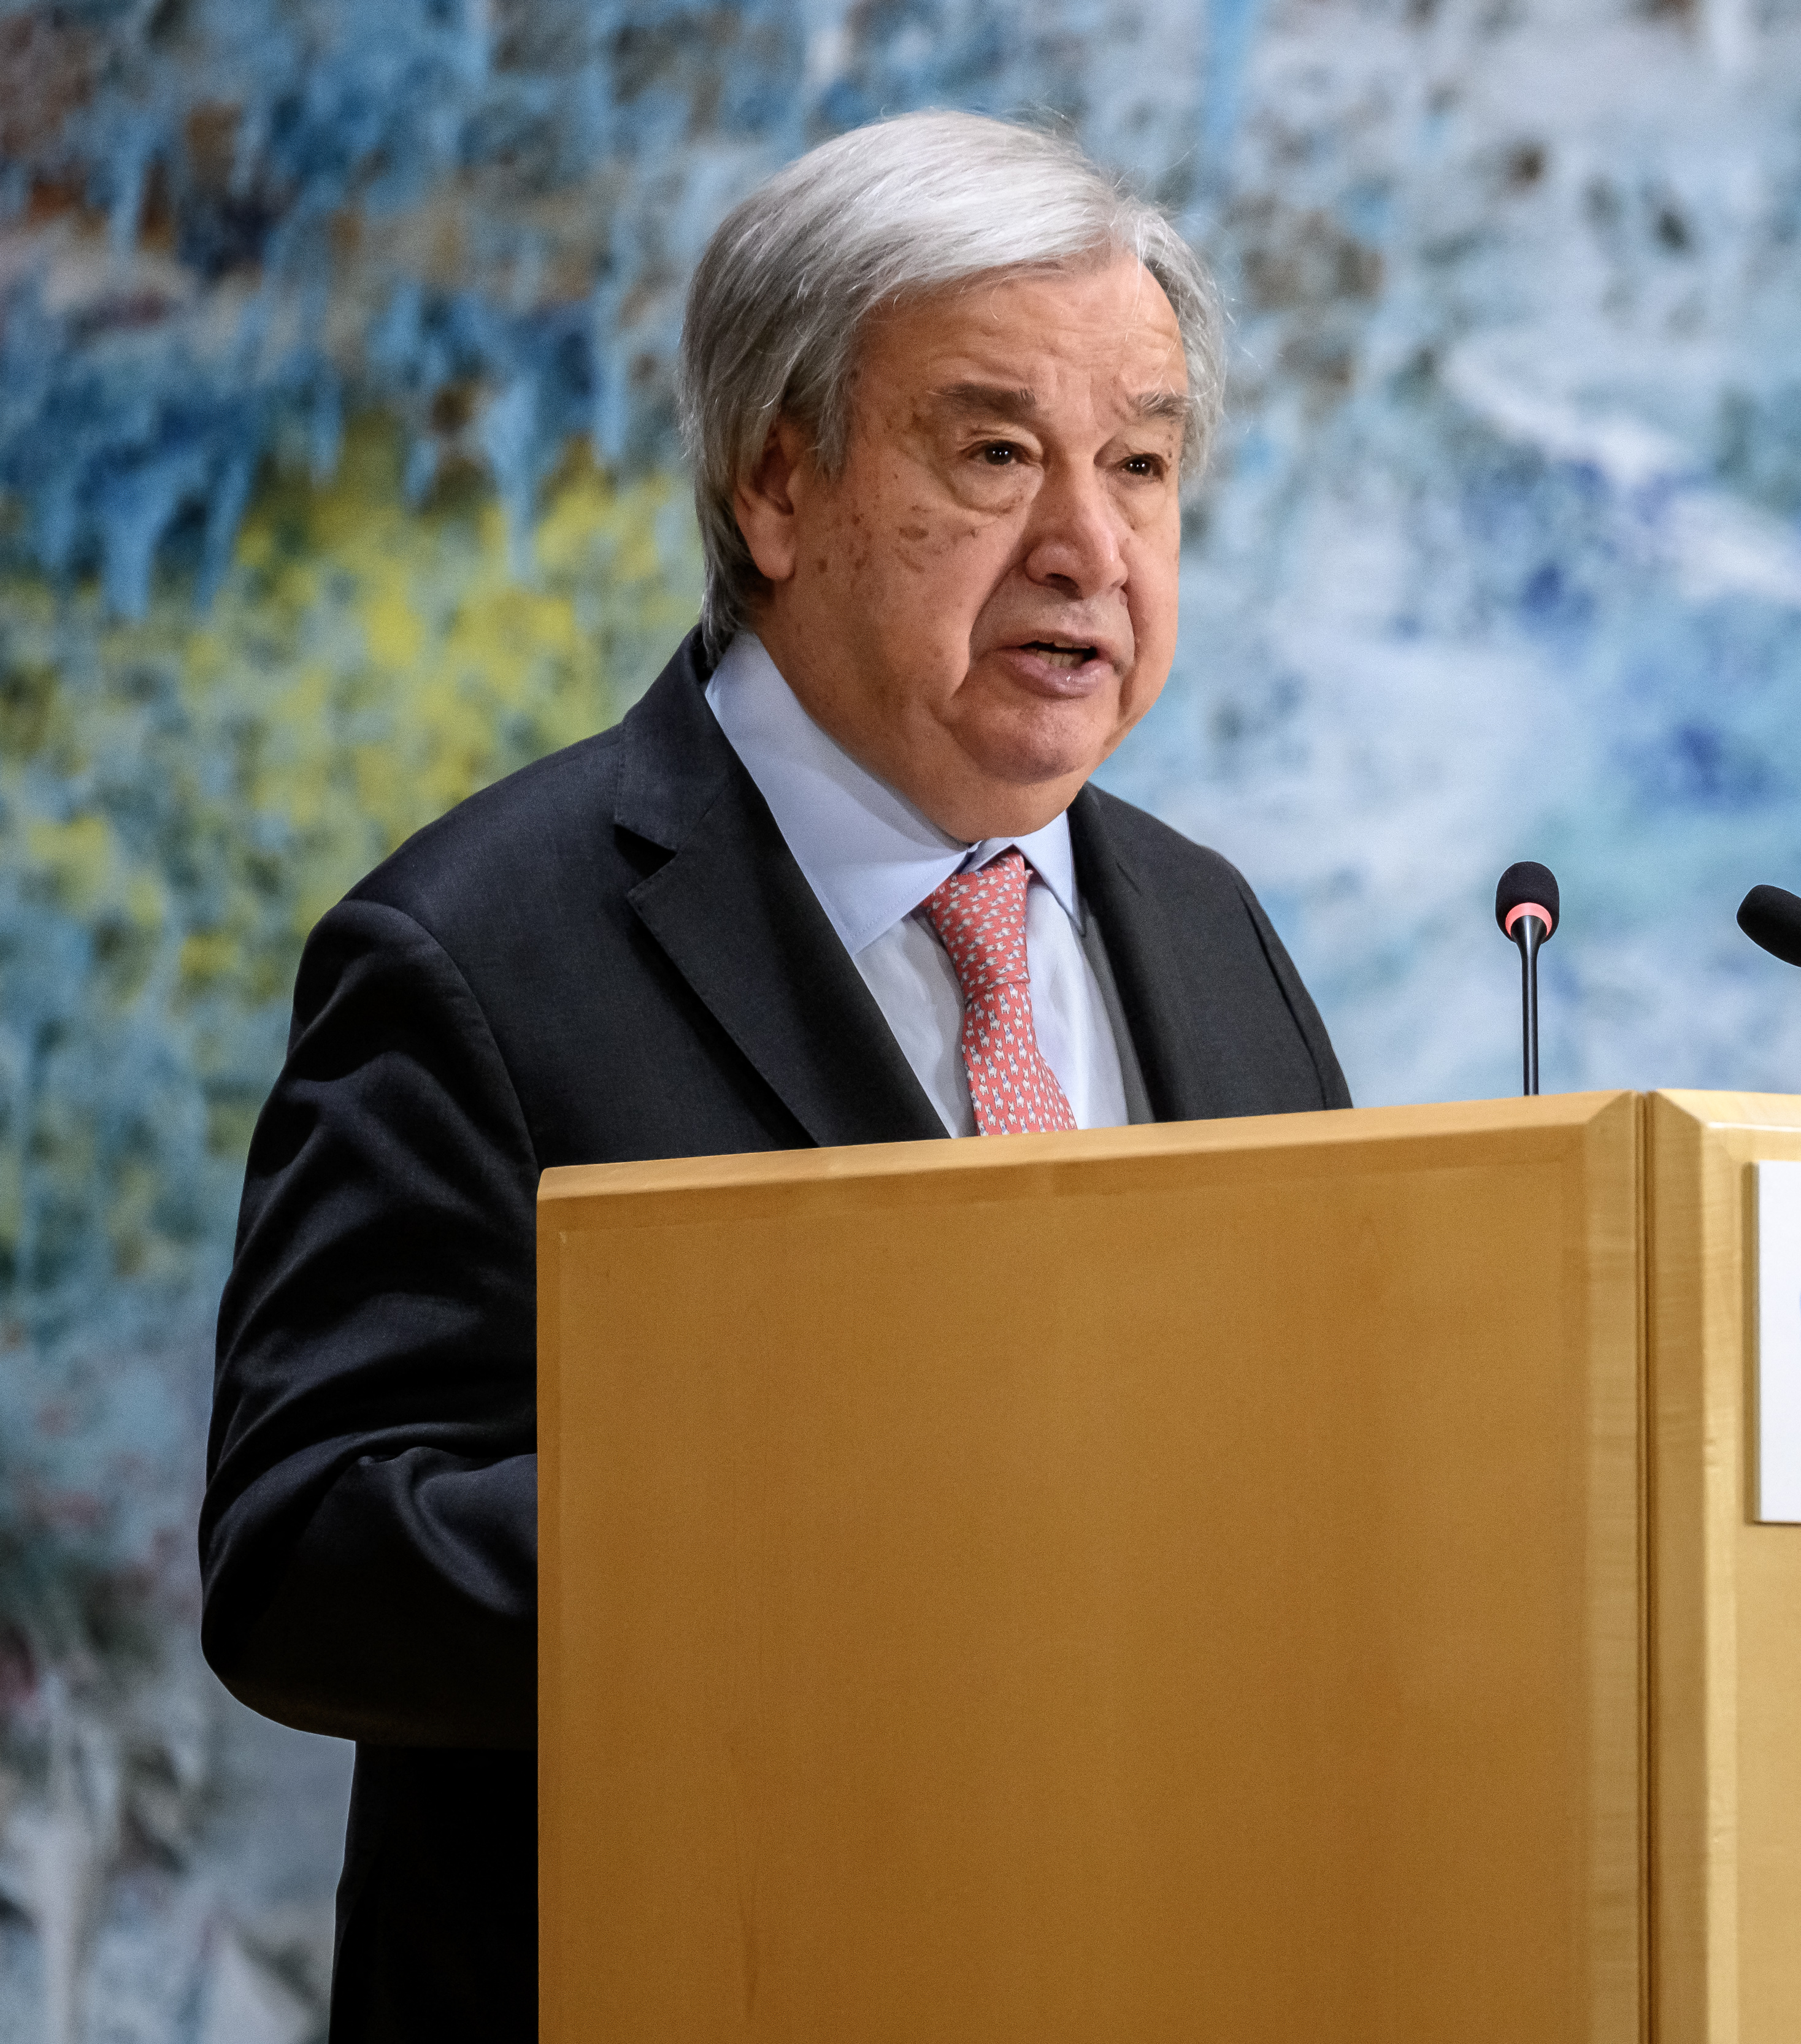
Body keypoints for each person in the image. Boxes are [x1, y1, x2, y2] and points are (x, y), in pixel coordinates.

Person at [199, 112, 1349, 2039]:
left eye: (1140, 465)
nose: (1090, 544)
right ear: (775, 485)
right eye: (994, 454)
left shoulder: (1208, 932)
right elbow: (307, 1556)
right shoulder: (476, 953)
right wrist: (844, 1548)